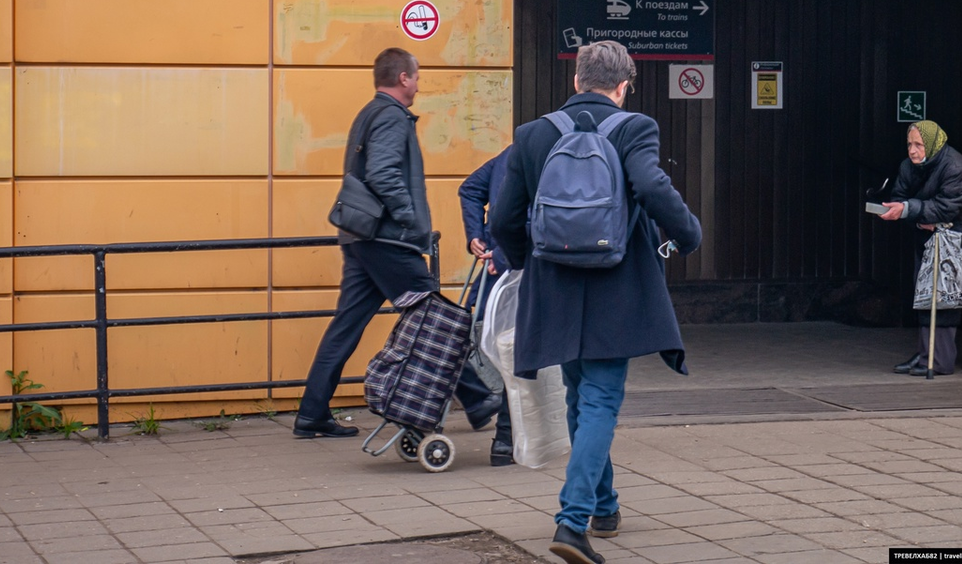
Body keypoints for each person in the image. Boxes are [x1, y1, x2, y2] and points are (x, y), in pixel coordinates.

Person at [489, 40, 701, 564]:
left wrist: (525, 262)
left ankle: (604, 508)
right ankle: (572, 520)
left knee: (581, 396)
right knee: (601, 400)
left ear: (577, 79)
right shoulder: (634, 127)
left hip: (554, 286)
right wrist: (688, 234)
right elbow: (651, 185)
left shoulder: (534, 135)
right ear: (623, 84)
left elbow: (502, 220)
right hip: (617, 288)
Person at [294, 48, 499, 438]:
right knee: (435, 318)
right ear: (403, 78)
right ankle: (477, 398)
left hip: (363, 239)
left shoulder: (369, 113)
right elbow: (383, 173)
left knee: (346, 326)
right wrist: (409, 218)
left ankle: (311, 412)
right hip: (388, 241)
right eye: (416, 77)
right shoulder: (390, 116)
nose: (419, 84)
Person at [880, 120, 962, 377]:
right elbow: (900, 195)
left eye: (919, 144)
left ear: (932, 144)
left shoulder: (955, 168)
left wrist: (910, 211)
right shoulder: (909, 167)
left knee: (945, 291)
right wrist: (909, 212)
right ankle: (925, 355)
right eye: (909, 144)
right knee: (925, 287)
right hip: (929, 230)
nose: (912, 150)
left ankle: (939, 360)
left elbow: (945, 207)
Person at [458, 146, 515, 466]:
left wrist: (475, 235)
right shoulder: (546, 151)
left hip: (498, 264)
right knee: (514, 350)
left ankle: (479, 400)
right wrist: (502, 255)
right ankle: (505, 439)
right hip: (513, 268)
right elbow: (517, 213)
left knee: (475, 332)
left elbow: (469, 188)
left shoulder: (512, 151)